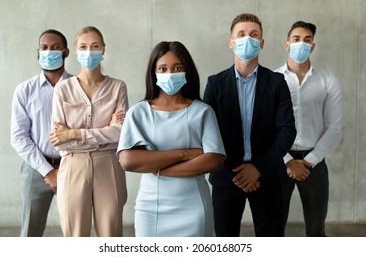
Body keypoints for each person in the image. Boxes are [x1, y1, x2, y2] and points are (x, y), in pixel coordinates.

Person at [117, 41, 226, 237]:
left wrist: (157, 168)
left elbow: (214, 160)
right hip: (150, 207)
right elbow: (128, 160)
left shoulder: (202, 111)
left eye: (177, 68)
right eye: (163, 68)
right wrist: (185, 153)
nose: (170, 73)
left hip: (194, 207)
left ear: (187, 71)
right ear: (154, 73)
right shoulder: (138, 112)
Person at [203, 13, 297, 237]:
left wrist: (257, 168)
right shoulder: (215, 83)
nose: (248, 39)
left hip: (267, 177)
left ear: (262, 43)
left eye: (254, 35)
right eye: (241, 34)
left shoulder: (276, 82)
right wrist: (238, 172)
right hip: (227, 176)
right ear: (231, 42)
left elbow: (287, 130)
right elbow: (208, 132)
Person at [49, 26, 128, 237]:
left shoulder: (118, 87)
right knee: (75, 236)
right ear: (75, 50)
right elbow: (59, 140)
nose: (89, 51)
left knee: (111, 236)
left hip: (109, 164)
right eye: (83, 47)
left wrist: (75, 133)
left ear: (103, 49)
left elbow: (120, 134)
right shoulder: (63, 89)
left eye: (95, 46)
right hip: (73, 165)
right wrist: (105, 131)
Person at [274, 21, 342, 237]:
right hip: (278, 160)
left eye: (307, 40)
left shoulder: (327, 80)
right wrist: (287, 160)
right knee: (273, 228)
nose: (301, 44)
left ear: (313, 46)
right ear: (287, 44)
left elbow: (334, 127)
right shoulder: (273, 79)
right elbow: (266, 127)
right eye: (296, 39)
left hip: (314, 161)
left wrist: (310, 159)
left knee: (316, 229)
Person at [10, 29, 71, 237]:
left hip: (72, 166)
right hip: (35, 168)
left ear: (66, 52)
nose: (49, 52)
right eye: (44, 48)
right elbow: (19, 137)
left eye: (55, 48)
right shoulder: (24, 90)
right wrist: (47, 170)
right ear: (38, 52)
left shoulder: (78, 86)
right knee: (30, 233)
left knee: (75, 230)